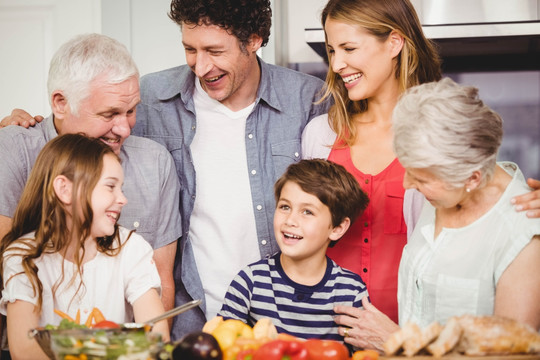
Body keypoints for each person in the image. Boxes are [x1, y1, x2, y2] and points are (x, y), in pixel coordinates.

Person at [301, 0, 540, 349]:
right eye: (331, 50)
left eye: (349, 48)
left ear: (395, 43)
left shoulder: (439, 135)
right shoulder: (321, 134)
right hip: (329, 332)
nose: (336, 64)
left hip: (412, 337)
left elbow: (489, 200)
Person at [132, 0, 330, 340]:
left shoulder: (309, 100)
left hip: (284, 326)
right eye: (190, 49)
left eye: (214, 50)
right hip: (189, 325)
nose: (201, 66)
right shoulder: (150, 98)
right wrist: (21, 131)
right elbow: (85, 132)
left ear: (253, 40)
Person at [0, 34, 182, 346]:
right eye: (109, 113)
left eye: (131, 111)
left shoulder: (155, 163)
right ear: (61, 103)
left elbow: (160, 288)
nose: (124, 129)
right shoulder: (15, 150)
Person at [0, 134, 169, 360]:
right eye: (110, 186)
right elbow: (24, 350)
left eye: (121, 187)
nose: (123, 199)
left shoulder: (132, 248)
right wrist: (108, 348)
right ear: (65, 190)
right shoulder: (22, 256)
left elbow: (157, 338)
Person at [218, 159, 369, 341]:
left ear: (337, 228)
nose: (290, 220)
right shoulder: (249, 282)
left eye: (307, 212)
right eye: (285, 207)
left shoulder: (351, 291)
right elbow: (225, 347)